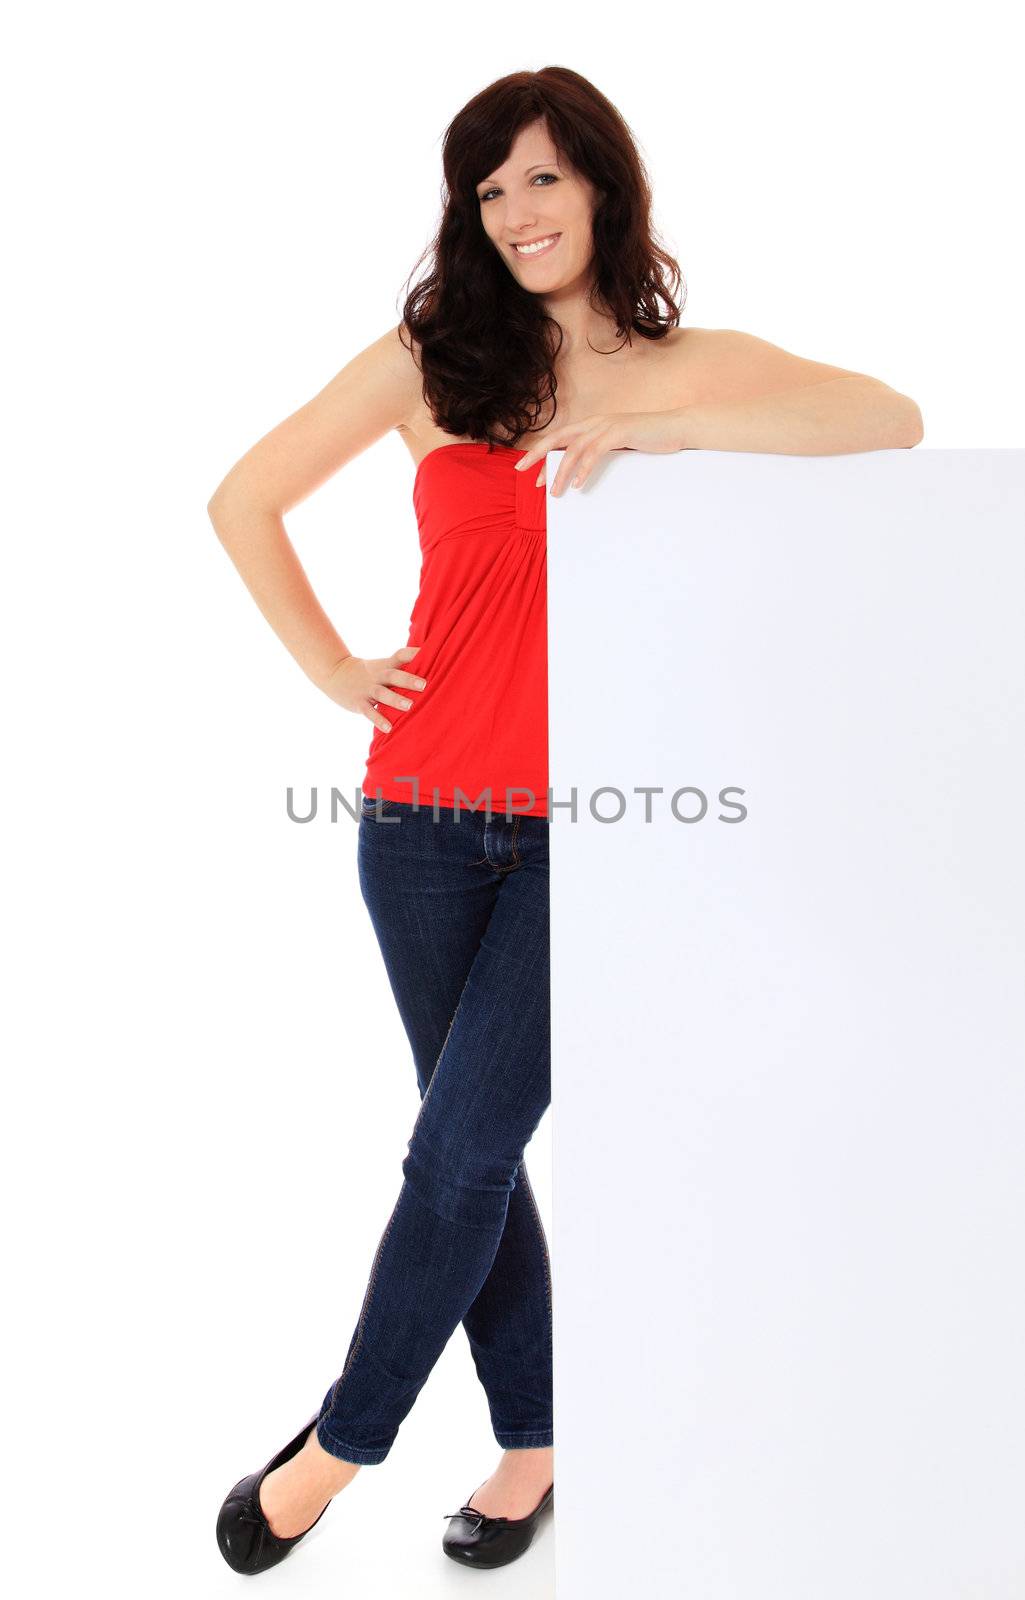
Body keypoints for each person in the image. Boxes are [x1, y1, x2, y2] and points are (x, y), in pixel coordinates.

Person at [208, 66, 924, 1578]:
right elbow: (243, 499)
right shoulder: (436, 359)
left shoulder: (688, 369)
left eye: (543, 178)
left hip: (590, 830)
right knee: (469, 1154)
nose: (518, 212)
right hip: (413, 820)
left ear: (600, 185)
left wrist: (678, 440)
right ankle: (536, 1442)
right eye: (489, 188)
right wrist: (339, 669)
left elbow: (890, 418)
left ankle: (338, 1447)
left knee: (459, 1152)